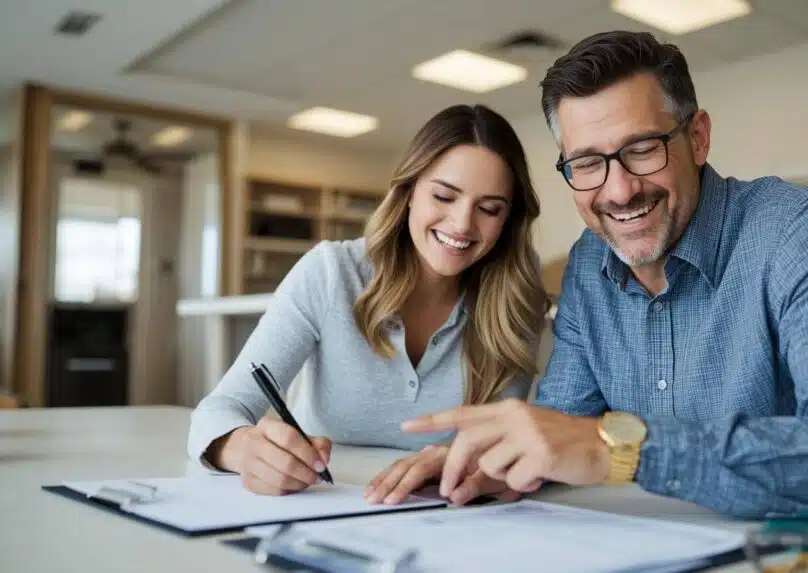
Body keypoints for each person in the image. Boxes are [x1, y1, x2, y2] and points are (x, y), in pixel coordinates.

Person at [379, 30, 808, 519]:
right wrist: (495, 459)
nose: (618, 191)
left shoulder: (799, 233)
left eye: (642, 149)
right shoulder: (589, 266)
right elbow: (564, 426)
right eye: (588, 163)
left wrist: (624, 448)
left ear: (697, 138)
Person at [187, 103, 549, 501]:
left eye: (489, 208)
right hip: (321, 503)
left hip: (448, 516)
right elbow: (221, 407)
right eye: (445, 196)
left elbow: (503, 444)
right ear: (409, 193)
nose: (463, 224)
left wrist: (478, 465)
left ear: (508, 220)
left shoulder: (515, 298)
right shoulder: (330, 272)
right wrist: (240, 449)